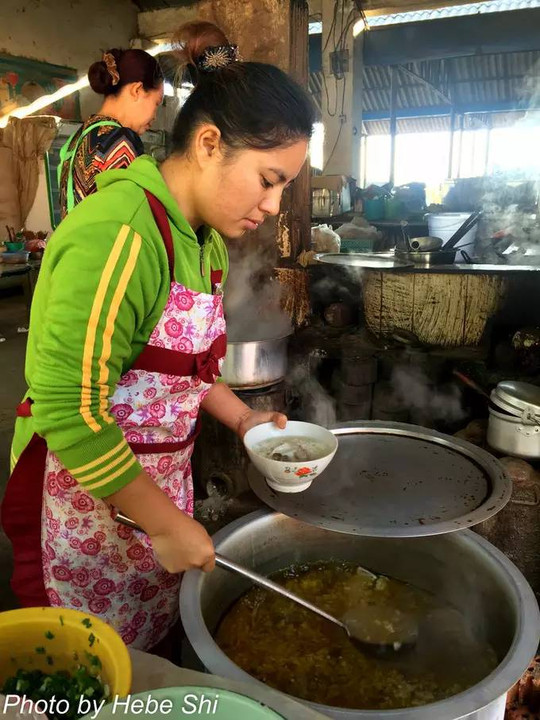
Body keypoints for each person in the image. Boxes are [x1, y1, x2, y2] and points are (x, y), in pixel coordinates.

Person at [1, 21, 316, 652]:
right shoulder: (122, 234)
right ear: (207, 143)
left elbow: (186, 371)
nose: (276, 205)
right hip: (82, 499)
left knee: (146, 660)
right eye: (269, 178)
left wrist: (243, 421)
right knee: (85, 666)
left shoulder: (202, 244)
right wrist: (166, 522)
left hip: (152, 488)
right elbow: (71, 410)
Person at [58, 48, 164, 218]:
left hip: (71, 243)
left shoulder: (78, 138)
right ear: (137, 90)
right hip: (104, 244)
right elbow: (132, 219)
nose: (155, 116)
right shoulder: (120, 142)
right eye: (157, 102)